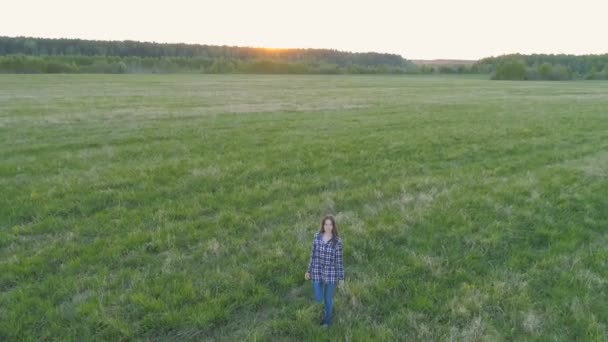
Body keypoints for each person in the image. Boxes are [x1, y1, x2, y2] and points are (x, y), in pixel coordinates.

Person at [305, 215, 344, 327]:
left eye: (330, 224)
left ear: (333, 226)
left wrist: (341, 278)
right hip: (317, 270)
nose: (328, 227)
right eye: (325, 224)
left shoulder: (337, 241)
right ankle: (319, 308)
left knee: (328, 299)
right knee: (318, 297)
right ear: (323, 225)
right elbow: (312, 255)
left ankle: (326, 321)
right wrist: (309, 270)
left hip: (331, 273)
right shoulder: (317, 237)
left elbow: (339, 261)